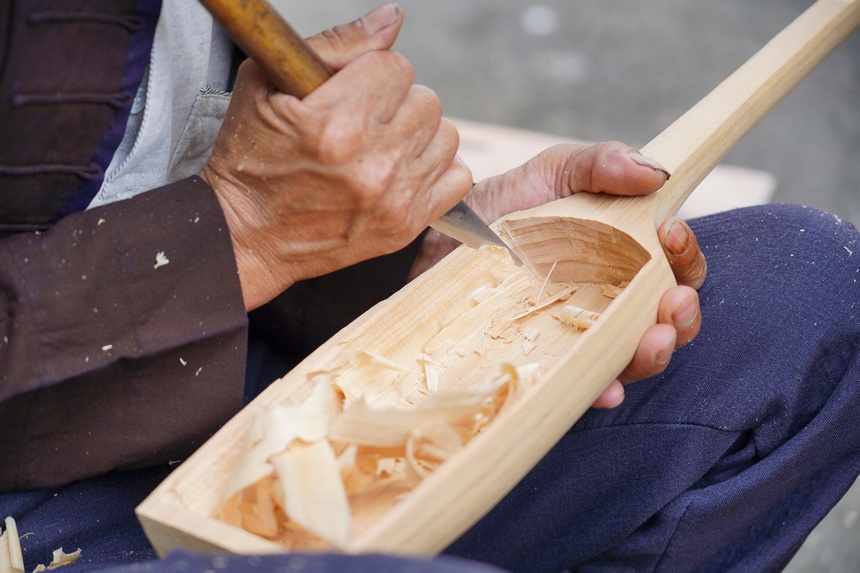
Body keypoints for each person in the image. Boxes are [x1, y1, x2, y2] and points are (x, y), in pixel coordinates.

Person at [0, 2, 856, 573]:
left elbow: (145, 154)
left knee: (806, 296)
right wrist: (244, 231)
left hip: (197, 358)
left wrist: (387, 251)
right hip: (32, 504)